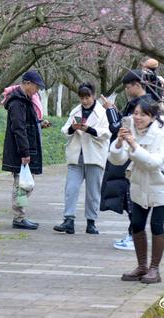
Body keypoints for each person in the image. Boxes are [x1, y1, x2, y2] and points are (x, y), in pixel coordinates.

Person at [108, 98, 164, 283]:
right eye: (135, 113)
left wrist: (134, 145)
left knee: (156, 224)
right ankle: (142, 267)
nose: (138, 118)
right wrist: (118, 143)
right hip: (140, 183)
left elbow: (154, 163)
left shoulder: (161, 134)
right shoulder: (131, 129)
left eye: (143, 114)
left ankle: (154, 269)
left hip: (163, 184)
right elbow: (117, 160)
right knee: (137, 223)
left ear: (152, 116)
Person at [100, 69, 152, 250]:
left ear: (137, 85)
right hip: (135, 156)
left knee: (134, 199)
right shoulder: (146, 103)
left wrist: (110, 111)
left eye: (128, 87)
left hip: (134, 157)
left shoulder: (140, 105)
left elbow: (118, 127)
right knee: (133, 198)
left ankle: (135, 237)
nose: (127, 91)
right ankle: (133, 234)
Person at [54, 82, 111, 235]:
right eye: (82, 98)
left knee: (93, 191)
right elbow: (64, 129)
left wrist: (90, 130)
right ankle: (69, 220)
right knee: (71, 188)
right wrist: (73, 128)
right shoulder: (75, 111)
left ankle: (91, 222)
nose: (85, 101)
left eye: (87, 97)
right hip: (76, 155)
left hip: (94, 156)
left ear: (93, 96)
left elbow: (107, 132)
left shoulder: (102, 113)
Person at [1, 70, 49, 229]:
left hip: (26, 149)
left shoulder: (25, 100)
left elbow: (26, 124)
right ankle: (19, 218)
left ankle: (20, 216)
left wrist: (39, 124)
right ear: (27, 83)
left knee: (25, 185)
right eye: (36, 87)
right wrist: (25, 153)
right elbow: (19, 128)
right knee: (22, 185)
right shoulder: (17, 102)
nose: (37, 91)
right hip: (20, 151)